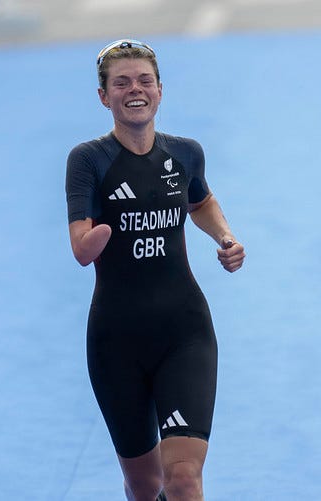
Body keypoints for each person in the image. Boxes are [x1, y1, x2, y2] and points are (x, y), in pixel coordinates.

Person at [65, 39, 245, 501]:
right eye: (121, 83)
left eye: (145, 80)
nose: (134, 89)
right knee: (145, 485)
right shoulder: (88, 160)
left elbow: (201, 201)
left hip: (184, 331)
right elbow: (82, 250)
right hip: (116, 340)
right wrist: (98, 238)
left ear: (161, 91)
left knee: (183, 477)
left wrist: (224, 237)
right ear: (104, 97)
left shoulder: (185, 154)